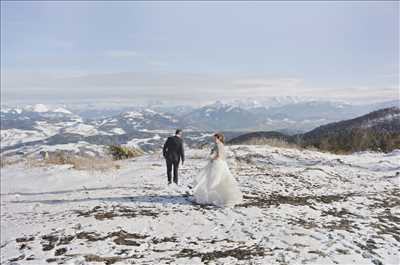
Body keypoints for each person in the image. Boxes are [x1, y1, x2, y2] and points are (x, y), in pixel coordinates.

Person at [192, 133, 243, 207]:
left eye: (215, 138)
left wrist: (212, 158)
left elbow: (219, 155)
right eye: (214, 138)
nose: (214, 139)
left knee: (215, 179)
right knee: (213, 179)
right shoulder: (219, 145)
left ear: (219, 138)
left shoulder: (219, 145)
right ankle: (211, 195)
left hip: (217, 163)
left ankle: (214, 196)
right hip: (219, 163)